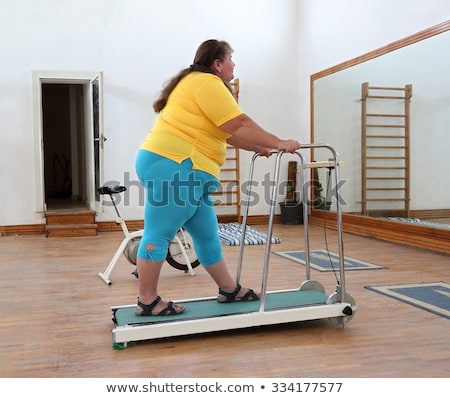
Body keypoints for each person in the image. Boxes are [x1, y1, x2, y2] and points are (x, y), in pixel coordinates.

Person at [134, 39, 301, 316]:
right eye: (231, 58)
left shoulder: (195, 83)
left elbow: (227, 131)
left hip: (183, 168)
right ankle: (147, 301)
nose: (234, 64)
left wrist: (258, 146)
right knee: (159, 233)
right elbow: (239, 123)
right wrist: (279, 142)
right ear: (218, 64)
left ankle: (228, 289)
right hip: (177, 165)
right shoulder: (206, 83)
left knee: (207, 234)